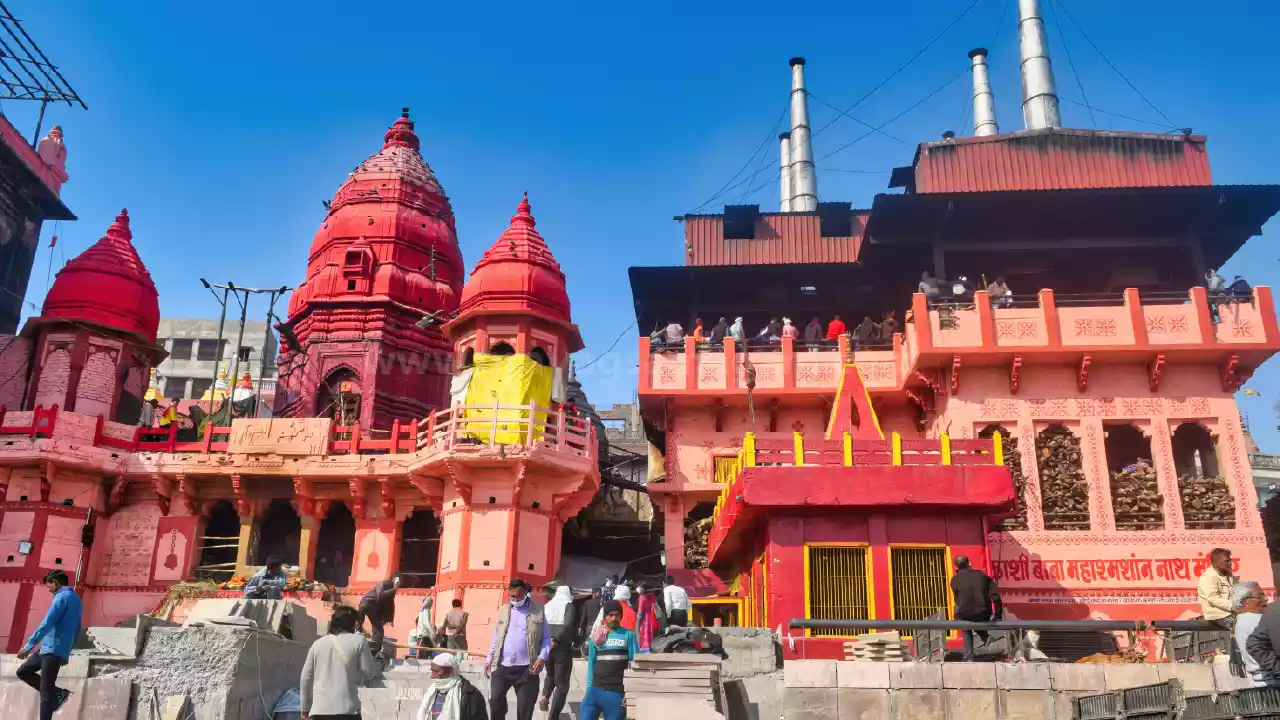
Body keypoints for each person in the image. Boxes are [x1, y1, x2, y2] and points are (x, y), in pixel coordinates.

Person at [17, 570, 81, 720]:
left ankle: (56, 695)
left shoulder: (61, 597)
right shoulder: (77, 600)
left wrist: (28, 646)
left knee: (45, 692)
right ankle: (58, 693)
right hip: (49, 648)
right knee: (23, 671)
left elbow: (47, 623)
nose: (48, 589)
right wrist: (67, 652)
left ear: (56, 583)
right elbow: (77, 628)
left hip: (52, 649)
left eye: (49, 585)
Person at [485, 578, 550, 720]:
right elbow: (497, 637)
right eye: (511, 596)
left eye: (517, 596)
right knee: (495, 701)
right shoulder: (503, 609)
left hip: (527, 668)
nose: (514, 599)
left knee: (525, 710)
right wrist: (489, 658)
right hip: (502, 666)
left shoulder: (538, 611)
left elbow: (546, 639)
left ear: (525, 593)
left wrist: (542, 657)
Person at [300, 605, 379, 720]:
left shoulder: (317, 644)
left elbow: (305, 678)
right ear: (352, 623)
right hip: (347, 711)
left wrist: (305, 709)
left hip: (319, 711)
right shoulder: (359, 641)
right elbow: (369, 673)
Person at [582, 600, 637, 720]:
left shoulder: (628, 635)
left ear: (621, 616)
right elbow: (591, 663)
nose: (614, 618)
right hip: (595, 691)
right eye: (610, 615)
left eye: (617, 615)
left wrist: (630, 693)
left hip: (616, 693)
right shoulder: (597, 637)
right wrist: (589, 690)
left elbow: (634, 665)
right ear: (605, 617)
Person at [949, 555, 1002, 662]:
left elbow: (958, 599)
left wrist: (958, 574)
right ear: (969, 563)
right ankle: (984, 636)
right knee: (970, 617)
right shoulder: (982, 576)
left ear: (957, 567)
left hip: (964, 615)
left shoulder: (954, 580)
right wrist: (998, 615)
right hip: (983, 613)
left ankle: (969, 657)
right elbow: (995, 596)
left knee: (964, 620)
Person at [540, 585, 577, 719]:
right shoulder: (569, 606)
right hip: (561, 647)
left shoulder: (548, 605)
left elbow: (541, 624)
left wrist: (546, 640)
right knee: (562, 684)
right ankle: (553, 715)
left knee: (550, 674)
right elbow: (568, 624)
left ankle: (545, 696)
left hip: (547, 646)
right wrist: (555, 638)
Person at [417, 652, 488, 720]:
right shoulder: (431, 692)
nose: (432, 676)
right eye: (432, 671)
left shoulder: (471, 695)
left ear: (451, 672)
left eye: (436, 671)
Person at [1233, 581, 1274, 687]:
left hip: (1263, 680)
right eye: (1260, 596)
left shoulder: (1241, 619)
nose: (1265, 599)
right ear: (1245, 601)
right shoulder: (1256, 620)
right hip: (1272, 679)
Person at [359, 574, 400, 659]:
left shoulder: (387, 587)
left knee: (377, 628)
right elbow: (383, 596)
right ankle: (373, 650)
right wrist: (395, 588)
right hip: (368, 604)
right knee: (376, 629)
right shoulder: (387, 583)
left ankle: (373, 650)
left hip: (369, 605)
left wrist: (387, 618)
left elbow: (388, 604)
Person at [1198, 548, 1237, 629]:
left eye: (1230, 560)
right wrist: (1232, 606)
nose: (1230, 563)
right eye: (1227, 561)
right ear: (1217, 563)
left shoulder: (1228, 575)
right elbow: (1213, 598)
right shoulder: (1208, 577)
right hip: (1218, 615)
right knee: (1241, 626)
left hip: (1231, 612)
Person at [634, 582, 658, 653]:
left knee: (643, 634)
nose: (637, 589)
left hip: (644, 619)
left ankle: (643, 649)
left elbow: (640, 610)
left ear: (642, 589)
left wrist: (637, 619)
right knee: (649, 634)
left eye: (639, 587)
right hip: (650, 617)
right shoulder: (651, 596)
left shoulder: (642, 597)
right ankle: (649, 648)